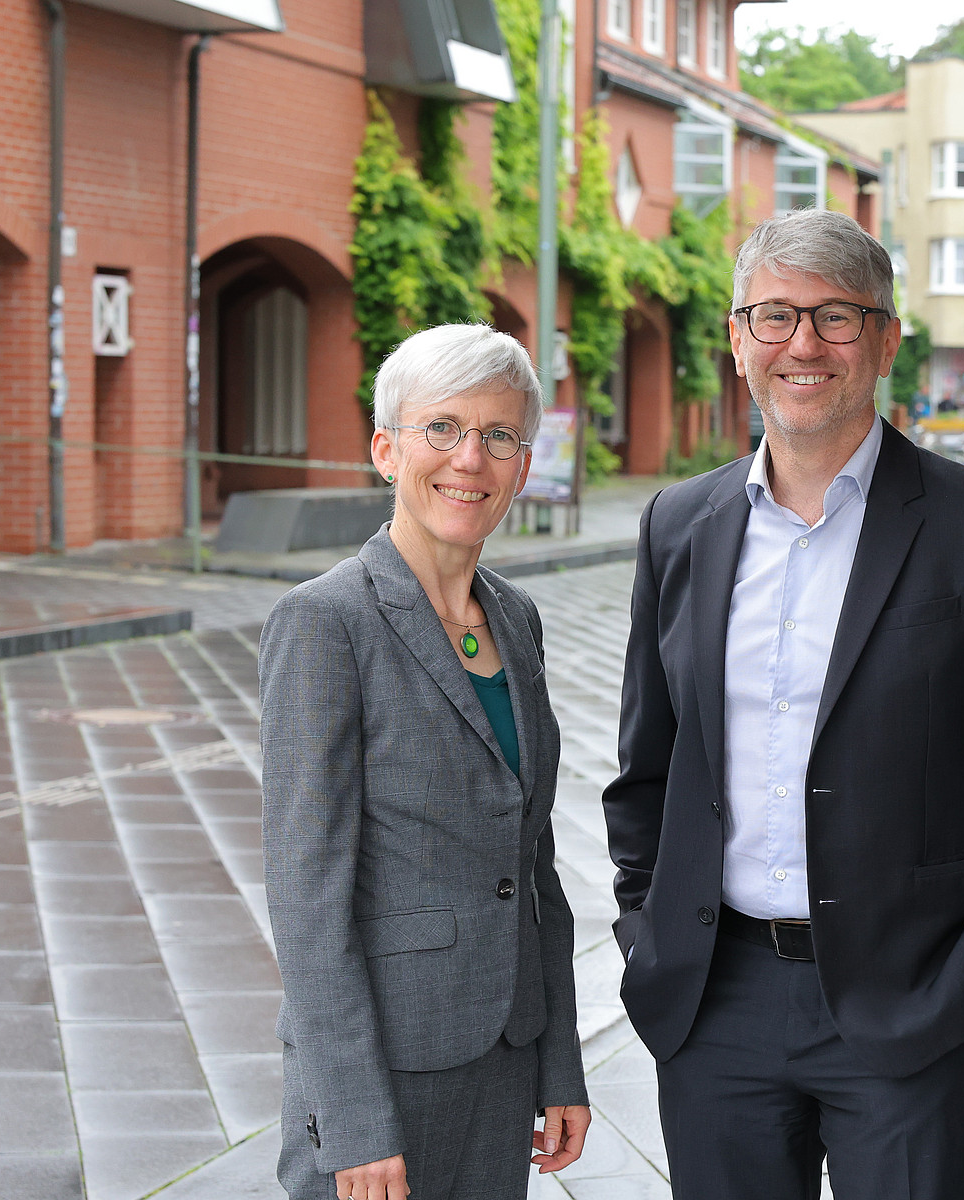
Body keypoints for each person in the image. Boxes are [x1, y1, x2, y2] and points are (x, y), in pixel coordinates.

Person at [603, 208, 964, 1200]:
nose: (804, 344)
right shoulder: (679, 523)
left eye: (837, 317)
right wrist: (643, 932)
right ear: (738, 338)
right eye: (775, 316)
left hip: (914, 1003)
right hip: (715, 1005)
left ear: (885, 341)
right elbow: (646, 766)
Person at [261, 324, 591, 1200]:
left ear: (523, 465)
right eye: (441, 428)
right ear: (386, 449)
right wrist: (355, 1120)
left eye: (498, 436)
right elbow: (306, 898)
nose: (469, 459)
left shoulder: (516, 618)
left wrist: (560, 1061)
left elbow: (533, 862)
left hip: (505, 1060)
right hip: (384, 1074)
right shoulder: (325, 622)